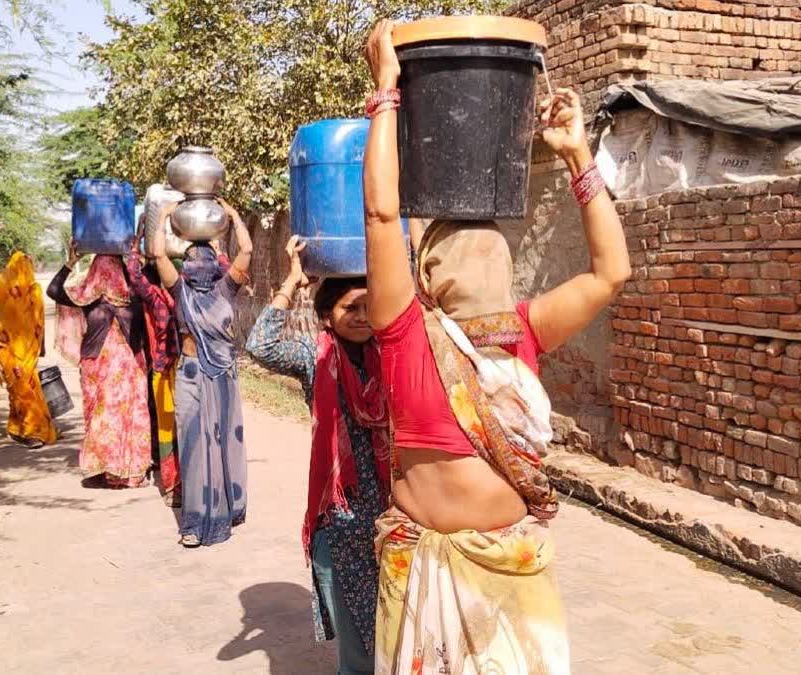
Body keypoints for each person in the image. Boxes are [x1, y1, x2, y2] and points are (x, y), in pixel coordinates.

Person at [362, 20, 631, 674]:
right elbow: (381, 215)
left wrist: (577, 156)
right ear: (425, 274)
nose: (481, 244)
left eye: (491, 238)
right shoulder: (405, 334)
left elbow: (610, 273)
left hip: (510, 580)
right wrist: (386, 95)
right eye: (458, 240)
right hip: (425, 575)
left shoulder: (524, 328)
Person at [245, 237, 388, 675]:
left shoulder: (392, 353)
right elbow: (260, 345)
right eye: (351, 309)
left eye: (370, 306)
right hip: (343, 520)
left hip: (395, 511)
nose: (363, 317)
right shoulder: (315, 355)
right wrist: (292, 281)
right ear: (328, 314)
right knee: (357, 644)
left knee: (399, 627)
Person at [152, 197, 253, 547]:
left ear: (215, 264)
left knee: (225, 442)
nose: (197, 263)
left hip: (223, 375)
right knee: (193, 443)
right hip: (191, 375)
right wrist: (163, 218)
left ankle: (230, 506)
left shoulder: (227, 288)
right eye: (191, 259)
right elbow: (159, 256)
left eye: (205, 257)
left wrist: (236, 217)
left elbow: (248, 251)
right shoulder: (180, 292)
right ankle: (194, 523)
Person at [47, 246, 152, 488]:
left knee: (107, 417)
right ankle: (123, 471)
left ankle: (110, 470)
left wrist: (71, 263)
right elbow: (53, 290)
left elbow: (54, 289)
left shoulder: (92, 298)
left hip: (105, 369)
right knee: (122, 417)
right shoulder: (130, 297)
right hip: (123, 370)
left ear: (93, 271)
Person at [123, 234, 183, 506]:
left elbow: (134, 275)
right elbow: (135, 276)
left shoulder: (161, 297)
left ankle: (174, 486)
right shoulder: (177, 296)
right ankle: (176, 485)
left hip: (169, 370)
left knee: (170, 430)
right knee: (178, 430)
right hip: (179, 371)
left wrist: (135, 247)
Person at [0, 251, 57, 448]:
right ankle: (31, 431)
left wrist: (42, 346)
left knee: (25, 388)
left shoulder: (25, 292)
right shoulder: (5, 293)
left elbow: (39, 320)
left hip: (24, 351)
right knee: (20, 390)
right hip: (10, 351)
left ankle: (27, 430)